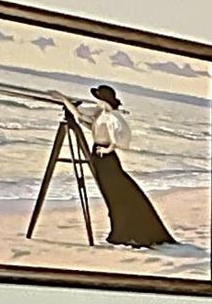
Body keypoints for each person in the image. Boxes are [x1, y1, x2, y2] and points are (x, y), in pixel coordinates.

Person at [69, 83, 174, 248]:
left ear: (104, 101)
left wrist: (107, 149)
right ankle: (120, 230)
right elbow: (85, 120)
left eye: (98, 99)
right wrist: (66, 102)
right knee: (114, 196)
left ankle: (124, 231)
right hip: (102, 158)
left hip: (106, 159)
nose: (96, 102)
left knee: (116, 195)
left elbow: (117, 139)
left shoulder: (111, 117)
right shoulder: (101, 114)